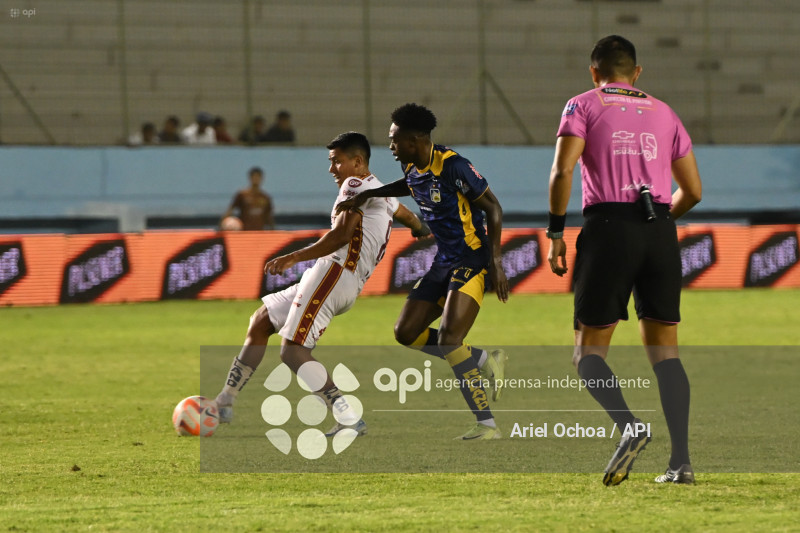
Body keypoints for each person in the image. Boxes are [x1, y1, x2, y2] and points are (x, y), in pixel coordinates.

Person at [546, 35, 703, 485]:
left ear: (594, 72)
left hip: (608, 229)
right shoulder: (666, 111)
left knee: (587, 354)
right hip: (659, 231)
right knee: (666, 353)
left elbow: (562, 170)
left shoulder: (583, 105)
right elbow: (693, 191)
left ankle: (630, 427)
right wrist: (656, 222)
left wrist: (556, 232)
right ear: (637, 73)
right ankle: (681, 463)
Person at [214, 131, 430, 437]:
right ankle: (226, 400)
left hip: (335, 273)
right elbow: (407, 215)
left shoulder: (355, 185)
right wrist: (422, 229)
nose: (332, 170)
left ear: (357, 162)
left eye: (337, 162)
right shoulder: (381, 190)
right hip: (338, 278)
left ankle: (348, 417)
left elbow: (341, 235)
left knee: (292, 351)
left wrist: (293, 257)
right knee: (261, 321)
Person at [336, 103, 510, 440]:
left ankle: (487, 424)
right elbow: (409, 185)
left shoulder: (453, 165)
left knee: (449, 340)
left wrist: (497, 263)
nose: (390, 146)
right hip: (443, 260)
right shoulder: (413, 166)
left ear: (416, 139)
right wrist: (369, 195)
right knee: (406, 332)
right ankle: (486, 358)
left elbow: (494, 207)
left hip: (472, 259)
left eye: (394, 139)